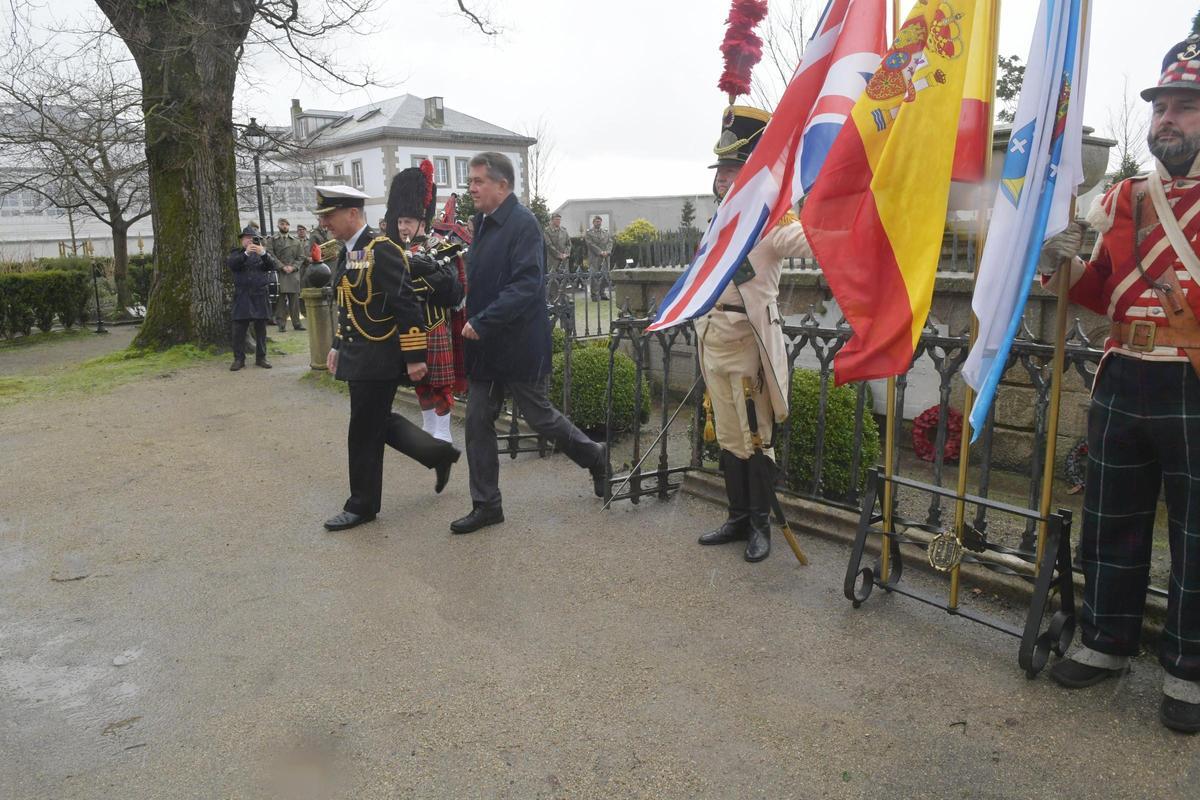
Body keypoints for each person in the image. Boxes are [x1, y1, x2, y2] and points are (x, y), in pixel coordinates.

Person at [1038, 35, 1200, 733]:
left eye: (1185, 107)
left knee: (1197, 533)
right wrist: (1063, 264)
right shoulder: (1123, 199)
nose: (1167, 119)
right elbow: (1100, 290)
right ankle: (1106, 640)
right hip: (1122, 375)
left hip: (1193, 378)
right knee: (1111, 517)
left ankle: (1189, 667)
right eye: (1161, 107)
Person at [450, 152, 607, 534]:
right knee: (477, 421)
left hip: (517, 342)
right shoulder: (481, 223)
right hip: (485, 343)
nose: (471, 188)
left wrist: (483, 321)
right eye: (470, 182)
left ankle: (594, 456)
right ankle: (487, 505)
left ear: (502, 185)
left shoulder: (524, 225)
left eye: (478, 181)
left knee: (539, 417)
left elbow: (525, 285)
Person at [693, 105, 812, 563]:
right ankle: (738, 517)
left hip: (749, 342)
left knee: (756, 435)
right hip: (713, 338)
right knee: (728, 435)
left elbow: (809, 240)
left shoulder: (772, 220)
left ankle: (760, 524)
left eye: (732, 171)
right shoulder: (717, 223)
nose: (723, 179)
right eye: (721, 172)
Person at [317, 185, 460, 532]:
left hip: (380, 356)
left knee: (363, 430)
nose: (324, 223)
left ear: (352, 213)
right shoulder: (351, 251)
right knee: (377, 422)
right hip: (358, 353)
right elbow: (349, 304)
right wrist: (337, 344)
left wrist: (414, 356)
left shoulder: (382, 249)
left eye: (329, 215)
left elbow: (405, 302)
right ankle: (438, 454)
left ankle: (362, 505)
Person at [385, 160, 467, 444]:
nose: (402, 227)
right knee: (418, 382)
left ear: (422, 221)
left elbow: (454, 291)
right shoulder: (392, 251)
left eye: (407, 222)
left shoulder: (442, 249)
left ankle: (443, 431)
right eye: (399, 221)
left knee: (439, 383)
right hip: (407, 327)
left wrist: (426, 274)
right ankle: (429, 426)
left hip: (434, 324)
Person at [227, 225, 276, 371]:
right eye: (247, 238)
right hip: (242, 295)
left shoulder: (263, 254)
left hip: (260, 295)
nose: (250, 241)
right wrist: (246, 253)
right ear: (242, 240)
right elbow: (233, 264)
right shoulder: (236, 253)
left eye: (253, 238)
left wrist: (263, 254)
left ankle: (261, 358)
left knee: (261, 330)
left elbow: (272, 265)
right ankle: (239, 359)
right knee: (239, 330)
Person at [266, 218, 305, 331]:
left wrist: (293, 267)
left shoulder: (296, 241)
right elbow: (270, 254)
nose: (285, 226)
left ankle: (297, 323)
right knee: (280, 301)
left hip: (293, 273)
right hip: (280, 273)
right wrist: (281, 266)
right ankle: (281, 324)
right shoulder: (272, 240)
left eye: (287, 224)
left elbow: (301, 257)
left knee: (294, 301)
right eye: (282, 224)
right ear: (278, 226)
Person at [583, 215, 613, 300]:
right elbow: (590, 244)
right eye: (596, 221)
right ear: (593, 222)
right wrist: (600, 252)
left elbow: (610, 242)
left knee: (605, 275)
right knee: (594, 275)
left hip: (605, 257)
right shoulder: (589, 233)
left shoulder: (605, 232)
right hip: (594, 257)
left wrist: (607, 251)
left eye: (599, 221)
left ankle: (602, 293)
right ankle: (594, 294)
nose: (598, 223)